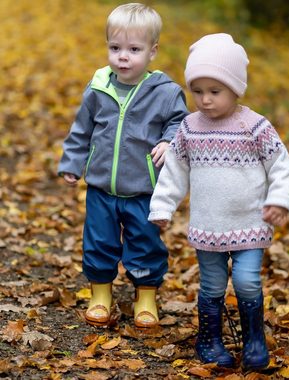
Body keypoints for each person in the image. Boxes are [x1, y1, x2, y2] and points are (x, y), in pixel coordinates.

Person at [148, 33, 289, 370]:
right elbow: (175, 171)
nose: (205, 100)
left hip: (249, 224)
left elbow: (280, 164)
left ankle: (254, 339)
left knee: (246, 281)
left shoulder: (254, 126)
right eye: (197, 91)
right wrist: (162, 206)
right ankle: (210, 340)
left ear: (235, 89)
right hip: (209, 225)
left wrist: (280, 200)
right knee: (212, 284)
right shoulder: (188, 128)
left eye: (215, 91)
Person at [58, 3, 188, 329]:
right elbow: (82, 130)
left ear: (152, 51)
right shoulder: (99, 88)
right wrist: (73, 162)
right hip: (102, 187)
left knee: (145, 242)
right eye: (115, 48)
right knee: (99, 240)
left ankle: (145, 295)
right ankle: (101, 293)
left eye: (133, 49)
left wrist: (169, 141)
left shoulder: (166, 93)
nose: (123, 57)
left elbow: (180, 124)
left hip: (144, 189)